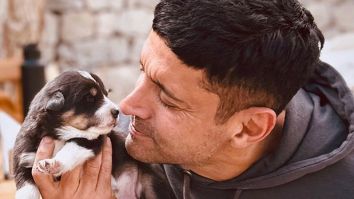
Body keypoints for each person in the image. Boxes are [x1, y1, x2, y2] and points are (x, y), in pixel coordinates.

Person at [32, 0, 354, 198]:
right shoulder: (111, 144)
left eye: (168, 99)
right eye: (142, 70)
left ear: (249, 128)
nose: (128, 106)